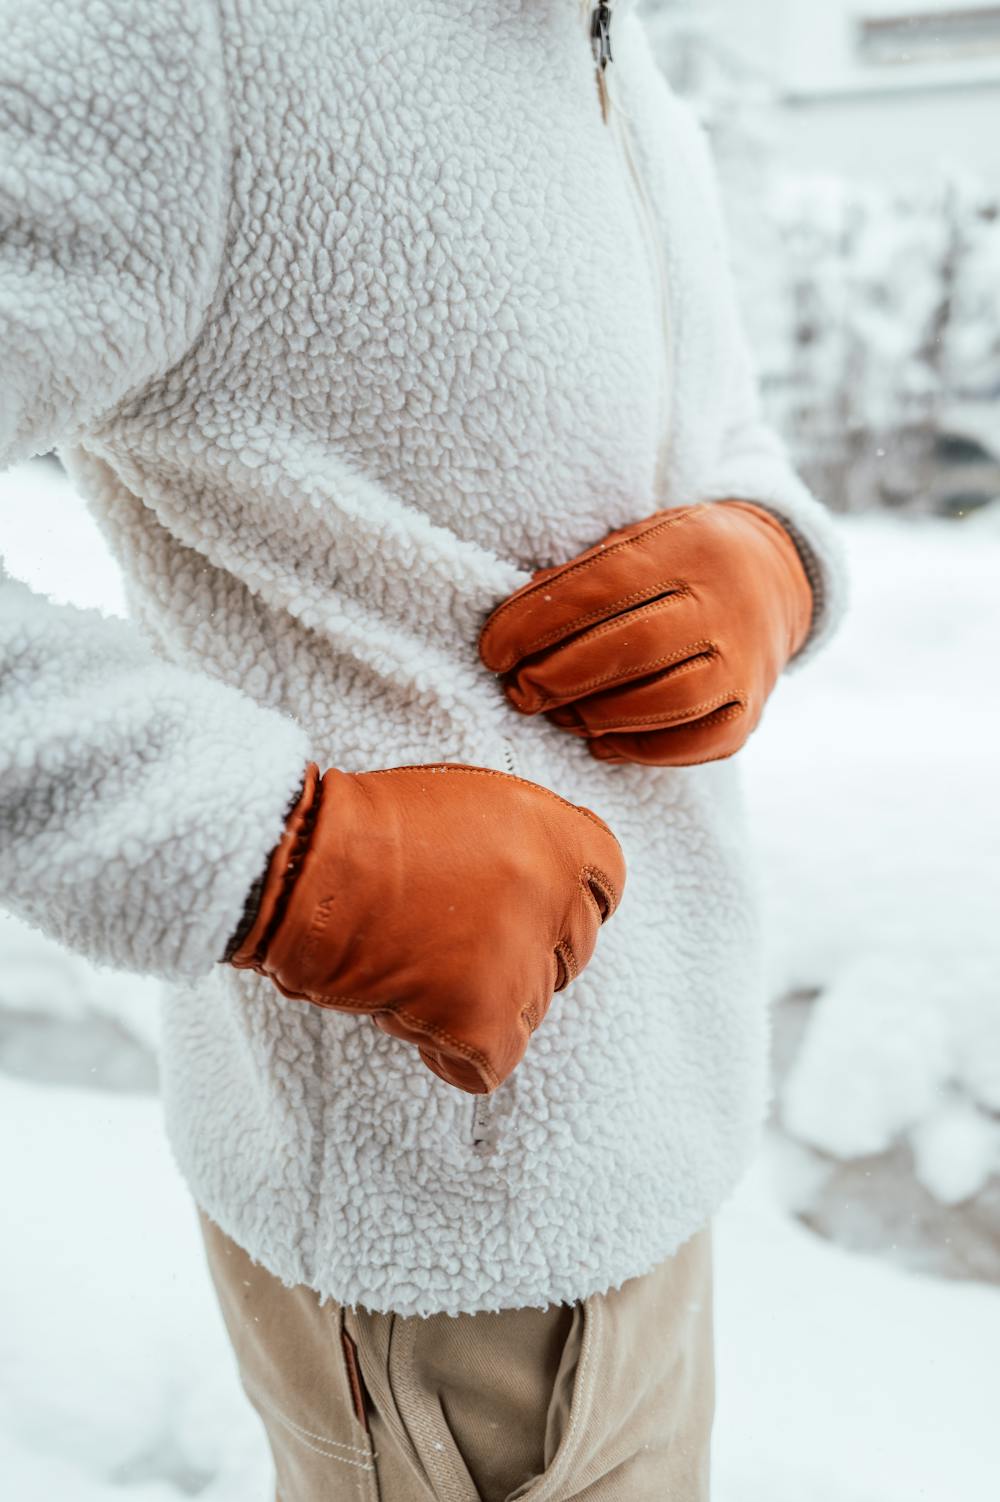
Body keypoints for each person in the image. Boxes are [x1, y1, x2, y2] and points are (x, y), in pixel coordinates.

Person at [0, 1, 845, 1497]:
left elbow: (713, 425)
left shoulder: (609, 43)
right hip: (440, 1243)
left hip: (656, 1149)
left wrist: (774, 560)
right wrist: (280, 856)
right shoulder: (173, 34)